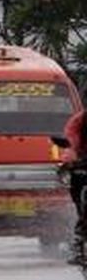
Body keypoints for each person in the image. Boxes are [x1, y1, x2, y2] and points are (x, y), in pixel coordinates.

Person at [63, 109, 87, 263]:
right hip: (83, 162)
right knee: (81, 198)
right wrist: (72, 159)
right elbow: (71, 140)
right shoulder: (79, 121)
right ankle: (78, 242)